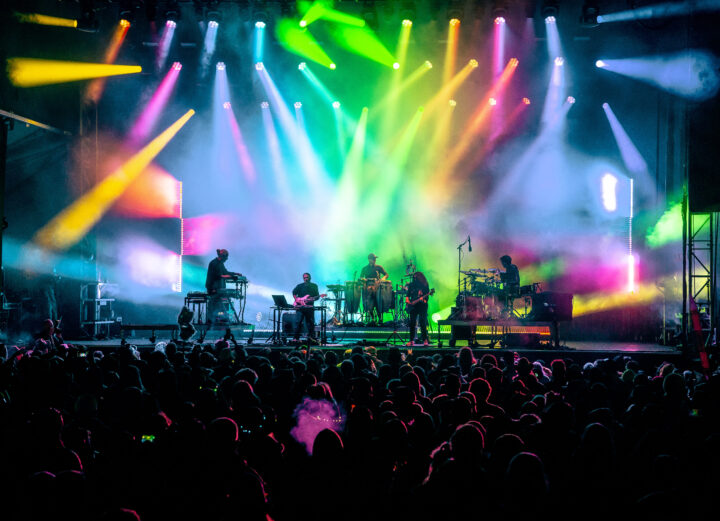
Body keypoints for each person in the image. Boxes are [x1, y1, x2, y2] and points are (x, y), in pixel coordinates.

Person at [205, 249, 241, 323]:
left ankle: (222, 318)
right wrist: (231, 277)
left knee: (219, 302)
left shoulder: (220, 263)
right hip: (213, 288)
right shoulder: (214, 263)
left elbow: (226, 272)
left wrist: (235, 273)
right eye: (226, 258)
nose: (226, 259)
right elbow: (219, 276)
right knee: (217, 302)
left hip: (218, 288)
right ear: (222, 256)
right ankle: (221, 319)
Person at [360, 253, 388, 324]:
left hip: (377, 288)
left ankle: (380, 319)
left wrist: (382, 279)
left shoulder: (379, 267)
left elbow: (386, 274)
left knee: (378, 303)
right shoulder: (365, 268)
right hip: (368, 289)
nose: (375, 260)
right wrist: (364, 279)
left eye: (375, 259)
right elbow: (360, 278)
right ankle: (372, 319)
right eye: (373, 259)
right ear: (369, 259)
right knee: (369, 304)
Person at [292, 273, 320, 343]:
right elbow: (294, 293)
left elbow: (317, 296)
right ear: (303, 278)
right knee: (298, 322)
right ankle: (296, 338)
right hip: (300, 307)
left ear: (310, 278)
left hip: (309, 307)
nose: (306, 279)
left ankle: (311, 338)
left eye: (307, 277)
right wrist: (297, 299)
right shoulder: (300, 286)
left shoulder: (314, 286)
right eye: (304, 278)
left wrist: (312, 299)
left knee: (310, 323)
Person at [405, 271, 431, 346]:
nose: (414, 278)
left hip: (422, 306)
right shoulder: (411, 285)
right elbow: (408, 295)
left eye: (416, 277)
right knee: (412, 322)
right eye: (414, 277)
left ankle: (425, 340)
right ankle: (411, 340)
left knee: (422, 322)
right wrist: (407, 302)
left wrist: (424, 299)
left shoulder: (425, 285)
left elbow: (427, 297)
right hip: (413, 306)